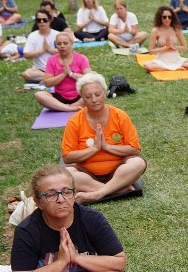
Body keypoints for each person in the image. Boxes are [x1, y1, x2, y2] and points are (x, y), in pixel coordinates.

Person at [0, 165, 139, 272]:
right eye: (50, 194)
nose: (61, 199)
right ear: (38, 202)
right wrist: (61, 262)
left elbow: (119, 262)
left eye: (67, 192)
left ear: (74, 195)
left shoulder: (92, 219)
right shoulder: (27, 231)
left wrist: (76, 258)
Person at [61, 72, 147, 204]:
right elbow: (67, 157)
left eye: (98, 94)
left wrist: (107, 147)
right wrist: (94, 149)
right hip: (86, 175)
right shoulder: (74, 121)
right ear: (82, 98)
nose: (94, 100)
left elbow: (135, 149)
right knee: (67, 175)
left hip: (118, 171)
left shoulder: (120, 116)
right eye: (88, 96)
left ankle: (97, 194)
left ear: (105, 92)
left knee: (138, 163)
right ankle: (116, 190)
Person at [34, 32, 91, 111]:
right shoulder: (52, 60)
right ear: (56, 45)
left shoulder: (81, 58)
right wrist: (63, 74)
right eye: (59, 44)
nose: (62, 46)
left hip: (80, 96)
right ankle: (68, 108)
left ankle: (66, 107)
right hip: (60, 97)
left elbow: (89, 78)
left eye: (65, 43)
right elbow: (47, 82)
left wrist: (70, 73)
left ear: (71, 44)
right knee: (39, 94)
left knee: (93, 92)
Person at [143, 6, 188, 72]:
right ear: (160, 18)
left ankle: (173, 67)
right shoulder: (156, 30)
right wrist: (166, 47)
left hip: (176, 58)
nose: (167, 19)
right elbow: (151, 51)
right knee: (147, 66)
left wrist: (173, 47)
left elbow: (184, 47)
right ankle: (173, 68)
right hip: (162, 59)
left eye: (169, 17)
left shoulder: (176, 29)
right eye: (164, 17)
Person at [22, 8, 59, 82]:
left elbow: (68, 53)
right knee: (26, 74)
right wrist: (42, 50)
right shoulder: (32, 35)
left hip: (56, 69)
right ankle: (53, 79)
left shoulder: (57, 35)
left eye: (44, 20)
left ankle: (52, 78)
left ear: (49, 20)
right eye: (39, 20)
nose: (42, 22)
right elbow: (26, 55)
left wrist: (50, 50)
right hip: (39, 71)